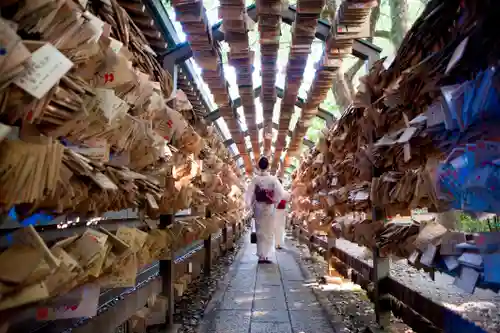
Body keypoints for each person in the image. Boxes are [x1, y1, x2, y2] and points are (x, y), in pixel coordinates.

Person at [244, 156, 287, 263]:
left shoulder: (255, 179)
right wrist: (275, 201)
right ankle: (266, 255)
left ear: (258, 166)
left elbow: (249, 193)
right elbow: (280, 193)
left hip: (258, 206)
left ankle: (261, 255)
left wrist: (249, 204)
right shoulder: (273, 179)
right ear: (268, 166)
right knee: (268, 231)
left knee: (259, 231)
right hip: (269, 206)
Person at [274, 179, 289, 250]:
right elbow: (288, 200)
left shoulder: (273, 192)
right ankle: (277, 243)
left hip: (278, 212)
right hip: (279, 211)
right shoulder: (285, 192)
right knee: (279, 227)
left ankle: (277, 243)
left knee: (277, 227)